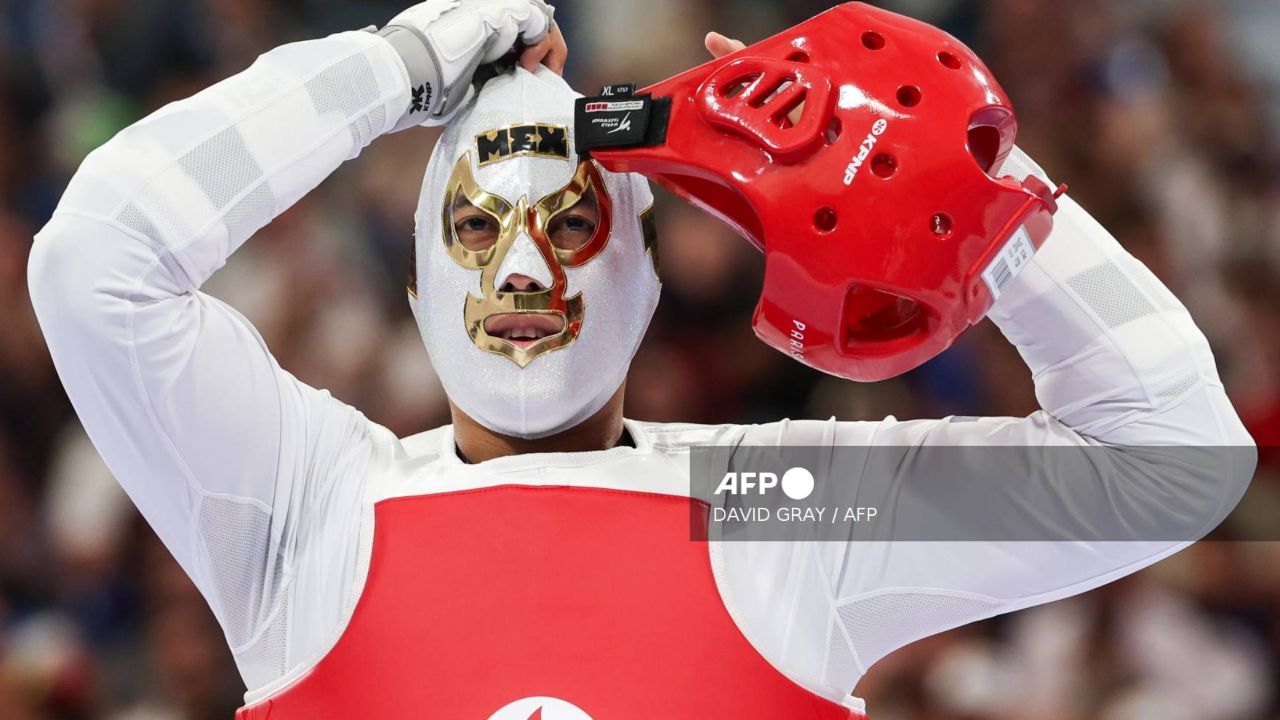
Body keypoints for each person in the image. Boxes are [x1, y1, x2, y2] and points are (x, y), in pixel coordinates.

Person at [27, 1, 1255, 718]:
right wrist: (392, 69)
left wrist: (945, 166)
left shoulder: (766, 508)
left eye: (570, 226)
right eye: (472, 227)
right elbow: (94, 259)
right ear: (412, 285)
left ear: (650, 278)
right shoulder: (309, 502)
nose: (520, 275)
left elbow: (1169, 458)